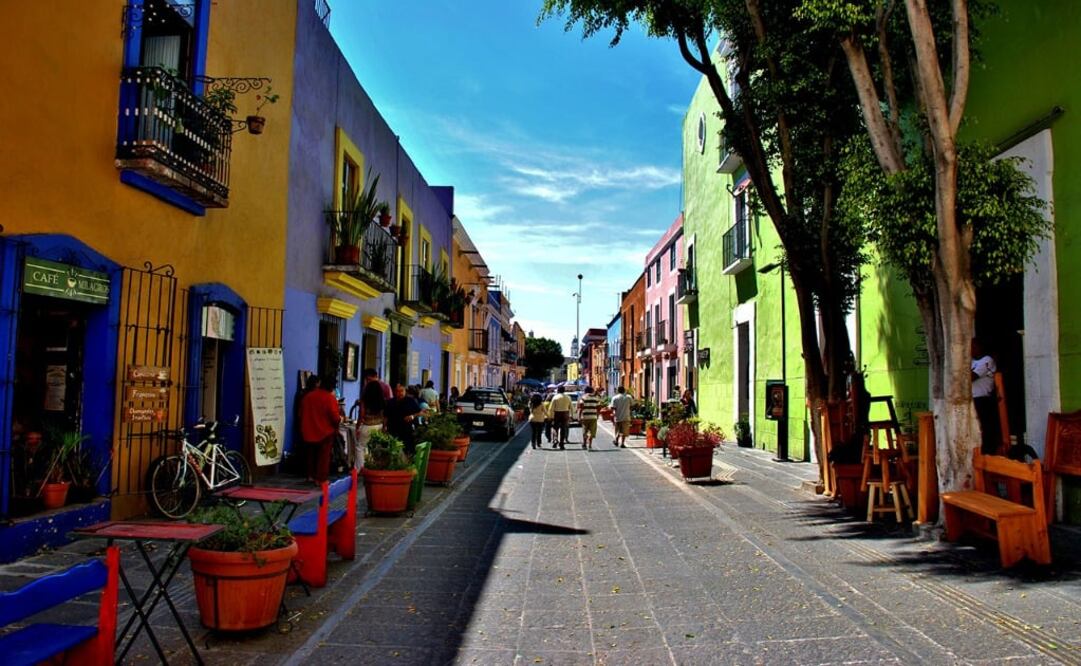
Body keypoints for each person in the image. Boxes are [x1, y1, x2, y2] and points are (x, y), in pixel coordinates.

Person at [299, 374, 342, 484]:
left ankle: (310, 476)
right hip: (325, 432)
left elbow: (301, 413)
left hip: (308, 430)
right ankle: (321, 479)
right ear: (332, 387)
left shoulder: (308, 396)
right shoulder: (330, 398)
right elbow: (335, 417)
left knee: (310, 456)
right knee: (323, 457)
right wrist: (339, 420)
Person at [972, 338, 1001, 454]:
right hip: (972, 400)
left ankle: (988, 453)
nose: (970, 350)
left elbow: (971, 377)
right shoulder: (971, 361)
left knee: (985, 428)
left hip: (982, 400)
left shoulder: (987, 360)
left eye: (973, 346)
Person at [355, 376, 386, 469]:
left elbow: (361, 414)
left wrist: (357, 426)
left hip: (368, 425)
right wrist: (384, 427)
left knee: (360, 447)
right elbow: (384, 415)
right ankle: (375, 467)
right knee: (375, 448)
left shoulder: (365, 400)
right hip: (379, 425)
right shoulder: (382, 400)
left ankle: (360, 468)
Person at [386, 384, 422, 455]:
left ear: (405, 391)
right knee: (393, 450)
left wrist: (412, 416)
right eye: (397, 391)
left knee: (407, 449)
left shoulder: (410, 400)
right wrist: (384, 427)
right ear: (394, 392)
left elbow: (420, 412)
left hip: (406, 430)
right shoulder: (391, 402)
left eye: (401, 391)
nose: (400, 393)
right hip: (393, 429)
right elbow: (386, 416)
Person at [578, 386, 601, 450]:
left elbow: (581, 407)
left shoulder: (583, 397)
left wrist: (579, 417)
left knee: (585, 430)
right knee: (592, 431)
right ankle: (590, 445)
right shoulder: (596, 398)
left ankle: (584, 443)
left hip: (585, 417)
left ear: (585, 391)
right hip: (593, 417)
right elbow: (599, 407)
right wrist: (597, 415)